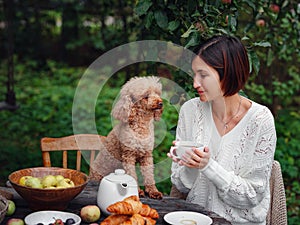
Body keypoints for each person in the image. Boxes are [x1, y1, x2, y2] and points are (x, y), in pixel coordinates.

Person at [167, 35, 277, 225]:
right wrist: (190, 166)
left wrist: (209, 166)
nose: (195, 83)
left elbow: (252, 196)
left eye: (203, 75)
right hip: (194, 220)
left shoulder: (261, 120)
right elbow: (181, 186)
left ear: (228, 73)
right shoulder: (190, 111)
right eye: (194, 74)